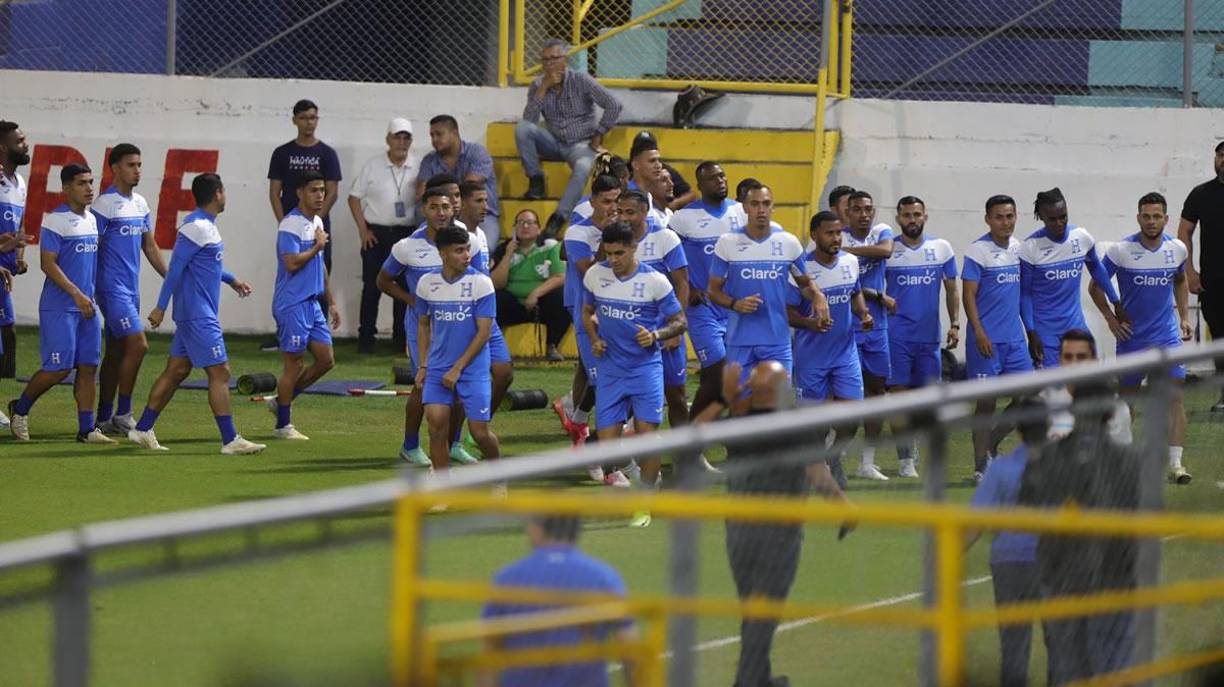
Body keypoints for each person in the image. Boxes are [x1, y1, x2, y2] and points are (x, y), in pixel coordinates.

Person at [698, 360, 850, 687]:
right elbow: (817, 473)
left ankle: (758, 677)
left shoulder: (739, 422)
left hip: (738, 531)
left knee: (752, 605)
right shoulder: (795, 424)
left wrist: (723, 400)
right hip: (779, 534)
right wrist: (845, 508)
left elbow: (693, 436)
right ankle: (747, 682)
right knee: (766, 610)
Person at [127, 174, 263, 455]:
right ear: (217, 194)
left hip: (196, 312)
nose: (226, 195)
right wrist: (160, 306)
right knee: (220, 371)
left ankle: (142, 429)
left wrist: (231, 279)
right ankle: (230, 440)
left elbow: (204, 267)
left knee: (177, 370)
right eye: (224, 190)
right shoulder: (196, 227)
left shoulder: (206, 227)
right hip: (197, 314)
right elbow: (176, 269)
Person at [1019, 381, 1142, 684]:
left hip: (1062, 579)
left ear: (1072, 409)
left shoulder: (1047, 457)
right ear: (1111, 414)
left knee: (1066, 665)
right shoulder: (1131, 461)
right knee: (1116, 667)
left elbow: (1026, 511)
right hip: (1116, 581)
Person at [581, 221, 686, 526]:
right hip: (611, 368)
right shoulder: (595, 275)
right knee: (608, 446)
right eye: (608, 253)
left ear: (633, 248)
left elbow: (680, 321)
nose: (613, 260)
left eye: (619, 253)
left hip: (645, 369)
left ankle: (644, 504)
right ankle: (644, 480)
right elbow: (586, 312)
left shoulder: (655, 281)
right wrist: (594, 339)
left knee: (646, 438)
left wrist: (656, 335)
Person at [8, 163, 112, 443]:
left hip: (87, 308)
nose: (89, 188)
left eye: (91, 182)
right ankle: (20, 409)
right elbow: (47, 264)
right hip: (60, 306)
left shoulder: (91, 219)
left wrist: (90, 296)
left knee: (89, 367)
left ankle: (87, 430)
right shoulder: (55, 220)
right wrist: (76, 294)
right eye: (81, 183)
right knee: (59, 368)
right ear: (66, 188)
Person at [1094, 192, 1193, 484]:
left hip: (1167, 339)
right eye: (1146, 216)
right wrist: (1112, 321)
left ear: (1166, 218)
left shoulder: (1177, 249)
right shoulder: (1120, 251)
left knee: (1175, 398)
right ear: (1138, 217)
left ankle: (1176, 465)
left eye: (1157, 216)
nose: (1151, 221)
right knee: (1126, 403)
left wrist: (1184, 317)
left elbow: (1180, 280)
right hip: (1132, 341)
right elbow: (1095, 287)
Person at [708, 183, 829, 415]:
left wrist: (818, 295)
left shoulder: (788, 242)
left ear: (773, 207)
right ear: (745, 207)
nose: (760, 209)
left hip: (777, 339)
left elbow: (805, 283)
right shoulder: (727, 243)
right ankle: (739, 451)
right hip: (739, 339)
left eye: (766, 204)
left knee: (779, 405)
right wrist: (735, 304)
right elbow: (713, 291)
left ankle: (776, 452)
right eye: (754, 204)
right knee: (739, 405)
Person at [377, 187, 473, 466]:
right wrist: (412, 301)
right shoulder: (408, 246)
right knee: (423, 385)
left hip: (458, 324)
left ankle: (454, 443)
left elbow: (477, 278)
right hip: (424, 328)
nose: (441, 212)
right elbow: (383, 281)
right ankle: (410, 445)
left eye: (445, 206)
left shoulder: (464, 239)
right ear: (424, 210)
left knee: (459, 384)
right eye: (434, 207)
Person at [480, 514, 635, 687]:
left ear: (537, 530)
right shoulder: (604, 577)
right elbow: (631, 649)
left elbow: (489, 658)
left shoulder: (506, 579)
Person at [966, 396, 1049, 687]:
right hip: (1054, 563)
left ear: (1018, 430)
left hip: (1009, 563)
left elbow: (973, 525)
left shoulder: (1000, 467)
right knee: (1063, 642)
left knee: (1014, 644)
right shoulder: (1064, 466)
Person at [790, 211, 874, 487]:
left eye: (839, 233)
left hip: (845, 352)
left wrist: (863, 314)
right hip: (810, 356)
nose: (836, 238)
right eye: (830, 233)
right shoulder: (802, 270)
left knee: (852, 415)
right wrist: (808, 324)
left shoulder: (850, 261)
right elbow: (785, 310)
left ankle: (833, 457)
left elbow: (855, 291)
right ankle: (816, 469)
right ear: (814, 236)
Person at [92, 144, 168, 437]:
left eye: (139, 164)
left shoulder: (140, 204)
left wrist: (170, 279)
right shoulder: (103, 205)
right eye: (130, 165)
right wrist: (86, 289)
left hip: (130, 290)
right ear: (115, 168)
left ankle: (102, 419)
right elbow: (91, 248)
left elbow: (149, 246)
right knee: (139, 345)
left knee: (115, 352)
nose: (137, 170)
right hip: (111, 290)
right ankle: (124, 414)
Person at [413, 225, 502, 476]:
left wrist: (457, 369)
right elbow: (423, 324)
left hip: (472, 369)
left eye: (467, 250)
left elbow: (483, 333)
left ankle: (498, 476)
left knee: (479, 433)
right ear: (442, 254)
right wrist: (423, 364)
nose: (466, 256)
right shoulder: (427, 284)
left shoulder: (481, 284)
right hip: (439, 367)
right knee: (436, 426)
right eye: (459, 251)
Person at [884, 196, 960, 478]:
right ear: (898, 218)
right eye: (906, 215)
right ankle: (905, 460)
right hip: (896, 337)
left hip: (929, 339)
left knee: (926, 402)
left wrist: (955, 323)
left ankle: (912, 442)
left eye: (916, 214)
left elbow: (952, 289)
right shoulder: (888, 250)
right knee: (899, 399)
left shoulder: (941, 249)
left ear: (925, 216)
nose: (912, 219)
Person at [516, 38, 622, 238]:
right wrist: (543, 89)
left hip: (581, 144)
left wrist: (599, 133)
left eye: (554, 58)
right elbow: (529, 119)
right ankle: (536, 179)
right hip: (553, 142)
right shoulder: (538, 84)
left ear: (565, 60)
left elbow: (614, 105)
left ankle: (558, 218)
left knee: (583, 167)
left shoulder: (581, 80)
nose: (549, 64)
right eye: (545, 60)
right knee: (522, 129)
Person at [963, 195, 1033, 483]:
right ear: (988, 219)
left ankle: (991, 442)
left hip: (1015, 341)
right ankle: (981, 467)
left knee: (1029, 398)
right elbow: (968, 295)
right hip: (986, 342)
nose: (1005, 222)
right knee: (986, 404)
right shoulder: (978, 251)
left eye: (1010, 216)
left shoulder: (1020, 249)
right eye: (999, 217)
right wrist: (979, 331)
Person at [670, 161, 742, 423]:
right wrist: (686, 289)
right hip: (703, 310)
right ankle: (693, 435)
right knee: (717, 373)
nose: (720, 181)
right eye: (712, 178)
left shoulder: (741, 212)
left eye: (722, 175)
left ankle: (730, 444)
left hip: (736, 307)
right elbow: (665, 257)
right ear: (699, 186)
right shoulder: (682, 219)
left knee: (737, 376)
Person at [553, 174, 621, 450]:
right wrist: (608, 238)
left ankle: (578, 422)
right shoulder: (578, 232)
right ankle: (590, 438)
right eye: (606, 201)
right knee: (600, 379)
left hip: (618, 312)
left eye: (617, 201)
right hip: (587, 312)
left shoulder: (625, 230)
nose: (612, 208)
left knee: (601, 375)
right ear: (592, 202)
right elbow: (590, 271)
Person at [269, 172, 339, 441]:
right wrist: (317, 245)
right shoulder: (290, 224)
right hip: (292, 303)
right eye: (314, 190)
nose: (320, 195)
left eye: (322, 189)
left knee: (326, 359)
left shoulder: (317, 221)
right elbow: (291, 262)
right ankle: (283, 425)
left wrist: (331, 301)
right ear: (299, 193)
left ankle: (281, 401)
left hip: (312, 303)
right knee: (294, 364)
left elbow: (318, 264)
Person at [1020, 188, 1122, 368]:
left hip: (1075, 324)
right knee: (1054, 387)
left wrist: (1116, 301)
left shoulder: (1081, 237)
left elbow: (1096, 268)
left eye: (1063, 216)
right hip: (1046, 330)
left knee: (1087, 380)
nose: (1059, 223)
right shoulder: (1030, 248)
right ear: (1041, 217)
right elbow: (1025, 295)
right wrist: (1031, 332)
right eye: (1052, 219)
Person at [619, 189, 690, 433]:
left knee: (676, 395)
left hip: (663, 329)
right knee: (623, 399)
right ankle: (608, 457)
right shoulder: (616, 243)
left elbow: (682, 282)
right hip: (630, 333)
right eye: (620, 212)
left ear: (645, 212)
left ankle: (688, 459)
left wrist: (675, 328)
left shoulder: (665, 238)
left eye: (630, 212)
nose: (624, 218)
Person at [348, 117, 418, 354]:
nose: (401, 142)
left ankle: (401, 340)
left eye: (406, 137)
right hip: (376, 235)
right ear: (388, 139)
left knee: (403, 289)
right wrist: (363, 230)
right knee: (371, 288)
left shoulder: (418, 166)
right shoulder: (373, 165)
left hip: (405, 234)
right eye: (397, 137)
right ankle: (366, 339)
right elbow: (353, 198)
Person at [840, 191, 894, 481]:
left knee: (877, 391)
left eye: (868, 209)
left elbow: (885, 250)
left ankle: (867, 461)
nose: (864, 214)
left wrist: (846, 252)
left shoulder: (881, 231)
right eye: (857, 209)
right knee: (842, 396)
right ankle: (829, 456)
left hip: (876, 328)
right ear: (847, 213)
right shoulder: (835, 235)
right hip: (844, 327)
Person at [458, 179, 515, 419]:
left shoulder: (480, 234)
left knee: (504, 373)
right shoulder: (456, 235)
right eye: (479, 201)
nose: (485, 206)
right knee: (466, 380)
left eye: (486, 201)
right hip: (465, 316)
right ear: (461, 203)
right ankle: (459, 436)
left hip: (486, 316)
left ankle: (479, 423)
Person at [267, 99, 342, 273]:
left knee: (320, 269)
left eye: (313, 118)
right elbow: (274, 193)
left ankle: (323, 302)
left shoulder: (327, 154)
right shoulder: (282, 153)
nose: (309, 122)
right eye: (303, 118)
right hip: (291, 223)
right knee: (291, 267)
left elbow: (332, 193)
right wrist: (284, 222)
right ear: (294, 120)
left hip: (318, 225)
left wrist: (315, 222)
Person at [1177, 140, 1224, 410]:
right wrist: (1190, 271)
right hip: (1214, 283)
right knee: (1219, 340)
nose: (1223, 159)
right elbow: (1184, 232)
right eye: (1220, 155)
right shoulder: (1201, 194)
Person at [490, 209, 568, 361]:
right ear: (514, 229)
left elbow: (560, 276)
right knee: (494, 299)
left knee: (562, 296)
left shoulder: (550, 246)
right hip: (513, 304)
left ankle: (552, 346)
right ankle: (494, 349)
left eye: (530, 223)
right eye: (520, 223)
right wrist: (507, 255)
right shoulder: (503, 248)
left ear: (539, 228)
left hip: (542, 302)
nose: (525, 226)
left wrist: (536, 293)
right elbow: (496, 283)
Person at [418, 114, 500, 247]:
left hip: (480, 214)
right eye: (432, 135)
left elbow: (468, 187)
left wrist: (439, 189)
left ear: (454, 133)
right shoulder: (429, 160)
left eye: (439, 134)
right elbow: (422, 192)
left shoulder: (477, 152)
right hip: (445, 213)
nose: (434, 139)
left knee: (485, 247)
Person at [0, 120, 31, 431]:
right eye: (19, 141)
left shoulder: (18, 183)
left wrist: (18, 258)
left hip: (4, 276)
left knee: (7, 334)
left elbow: (19, 228)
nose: (26, 144)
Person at [569, 153, 630, 225]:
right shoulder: (583, 209)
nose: (627, 182)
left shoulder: (632, 201)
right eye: (622, 178)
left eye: (628, 177)